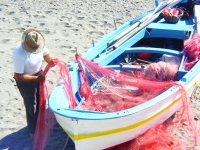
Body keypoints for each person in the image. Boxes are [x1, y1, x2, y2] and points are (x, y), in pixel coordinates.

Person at [12, 28, 54, 137]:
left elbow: (46, 54)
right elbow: (19, 76)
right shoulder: (19, 53)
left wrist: (51, 60)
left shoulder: (38, 43)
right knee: (31, 104)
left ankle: (40, 122)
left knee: (41, 100)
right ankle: (32, 130)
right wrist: (36, 79)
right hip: (26, 80)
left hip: (39, 74)